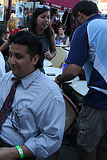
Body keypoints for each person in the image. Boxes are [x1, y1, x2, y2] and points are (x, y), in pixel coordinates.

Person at [0, 31, 65, 160]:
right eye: (10, 55)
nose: (11, 61)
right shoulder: (9, 77)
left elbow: (52, 138)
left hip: (16, 150)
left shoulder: (50, 95)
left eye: (18, 57)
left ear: (35, 59)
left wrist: (17, 152)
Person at [55, 1, 107, 160]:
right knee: (104, 145)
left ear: (79, 14)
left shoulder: (84, 29)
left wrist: (59, 79)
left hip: (99, 99)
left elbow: (72, 71)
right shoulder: (104, 24)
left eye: (74, 19)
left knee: (86, 145)